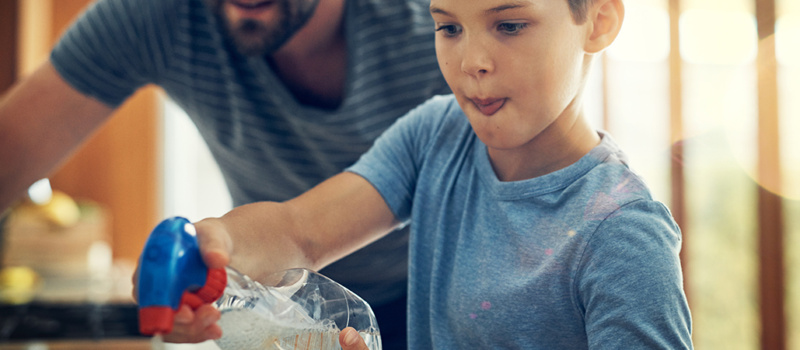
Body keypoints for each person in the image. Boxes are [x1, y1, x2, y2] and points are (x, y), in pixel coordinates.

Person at [154, 0, 695, 348]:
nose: (472, 60)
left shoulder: (623, 233)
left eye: (509, 25)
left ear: (598, 22)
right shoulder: (436, 133)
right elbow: (300, 231)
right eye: (449, 27)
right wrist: (216, 244)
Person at [0, 0, 450, 348]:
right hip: (278, 308)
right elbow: (295, 234)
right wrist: (216, 255)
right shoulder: (158, 17)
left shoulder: (445, 30)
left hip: (437, 302)